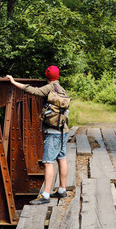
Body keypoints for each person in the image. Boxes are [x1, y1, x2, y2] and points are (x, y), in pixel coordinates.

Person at [6, 65, 69, 205]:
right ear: (57, 76)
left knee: (48, 162)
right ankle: (62, 189)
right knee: (62, 158)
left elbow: (33, 91)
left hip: (53, 131)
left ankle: (45, 195)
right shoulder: (61, 88)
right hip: (63, 129)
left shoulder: (49, 87)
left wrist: (13, 82)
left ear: (47, 76)